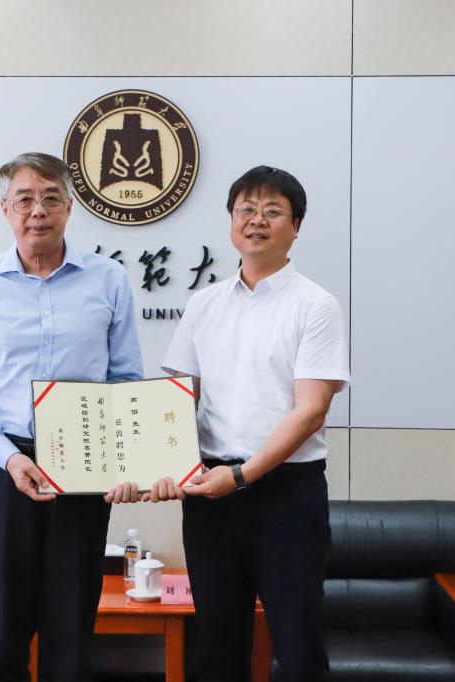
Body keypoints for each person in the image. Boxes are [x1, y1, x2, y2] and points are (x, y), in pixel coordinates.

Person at [0, 152, 144, 682]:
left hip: (84, 467)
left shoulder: (109, 280)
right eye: (24, 199)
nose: (38, 210)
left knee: (72, 636)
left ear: (69, 207)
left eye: (51, 198)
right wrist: (8, 458)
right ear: (5, 209)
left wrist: (126, 462)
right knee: (2, 639)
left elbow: (125, 380)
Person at [149, 166, 350, 681]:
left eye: (273, 211)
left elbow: (311, 410)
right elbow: (179, 399)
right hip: (209, 495)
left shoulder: (316, 306)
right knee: (216, 646)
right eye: (247, 210)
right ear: (231, 222)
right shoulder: (204, 304)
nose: (257, 220)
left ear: (296, 226)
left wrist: (242, 476)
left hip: (286, 494)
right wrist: (162, 467)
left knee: (298, 646)